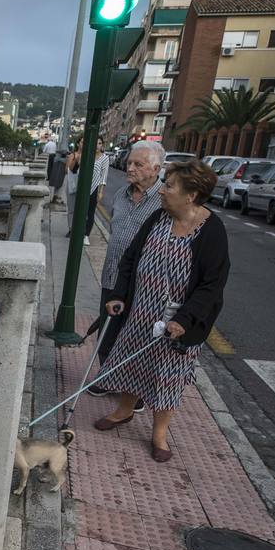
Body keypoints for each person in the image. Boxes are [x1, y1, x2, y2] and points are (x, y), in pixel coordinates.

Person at [93, 159, 229, 462]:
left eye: (169, 186)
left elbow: (212, 285)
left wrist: (184, 319)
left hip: (176, 321)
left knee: (168, 375)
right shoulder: (158, 217)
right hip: (141, 310)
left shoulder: (212, 231)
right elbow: (130, 258)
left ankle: (159, 434)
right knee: (131, 363)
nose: (164, 191)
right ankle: (124, 411)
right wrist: (119, 295)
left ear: (190, 195)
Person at [88, 140, 165, 391]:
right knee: (107, 331)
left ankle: (134, 390)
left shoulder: (164, 200)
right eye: (130, 162)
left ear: (155, 169)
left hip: (143, 282)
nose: (130, 168)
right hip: (112, 275)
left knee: (135, 334)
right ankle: (107, 378)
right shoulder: (121, 194)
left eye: (138, 164)